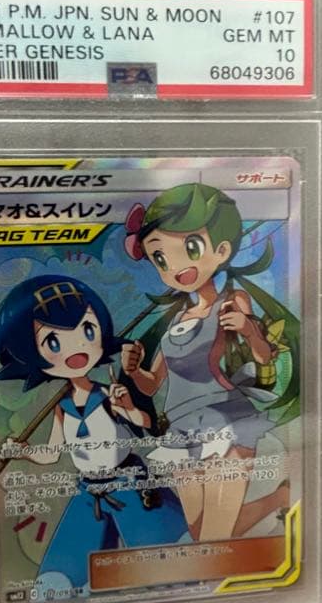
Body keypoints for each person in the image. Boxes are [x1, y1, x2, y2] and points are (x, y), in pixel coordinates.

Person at [121, 183, 298, 541]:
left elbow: (265, 356)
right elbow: (153, 385)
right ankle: (279, 498)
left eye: (191, 248)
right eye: (161, 258)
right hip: (180, 429)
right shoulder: (176, 320)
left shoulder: (232, 301)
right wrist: (133, 371)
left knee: (214, 537)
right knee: (200, 530)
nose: (176, 267)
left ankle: (278, 501)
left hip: (224, 419)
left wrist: (248, 329)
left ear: (222, 250)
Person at [0, 274, 187, 598]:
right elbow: (52, 453)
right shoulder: (62, 407)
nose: (77, 348)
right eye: (53, 342)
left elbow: (144, 423)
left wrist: (126, 406)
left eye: (87, 330)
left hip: (129, 484)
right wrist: (21, 451)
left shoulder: (109, 394)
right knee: (65, 577)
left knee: (167, 562)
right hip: (89, 493)